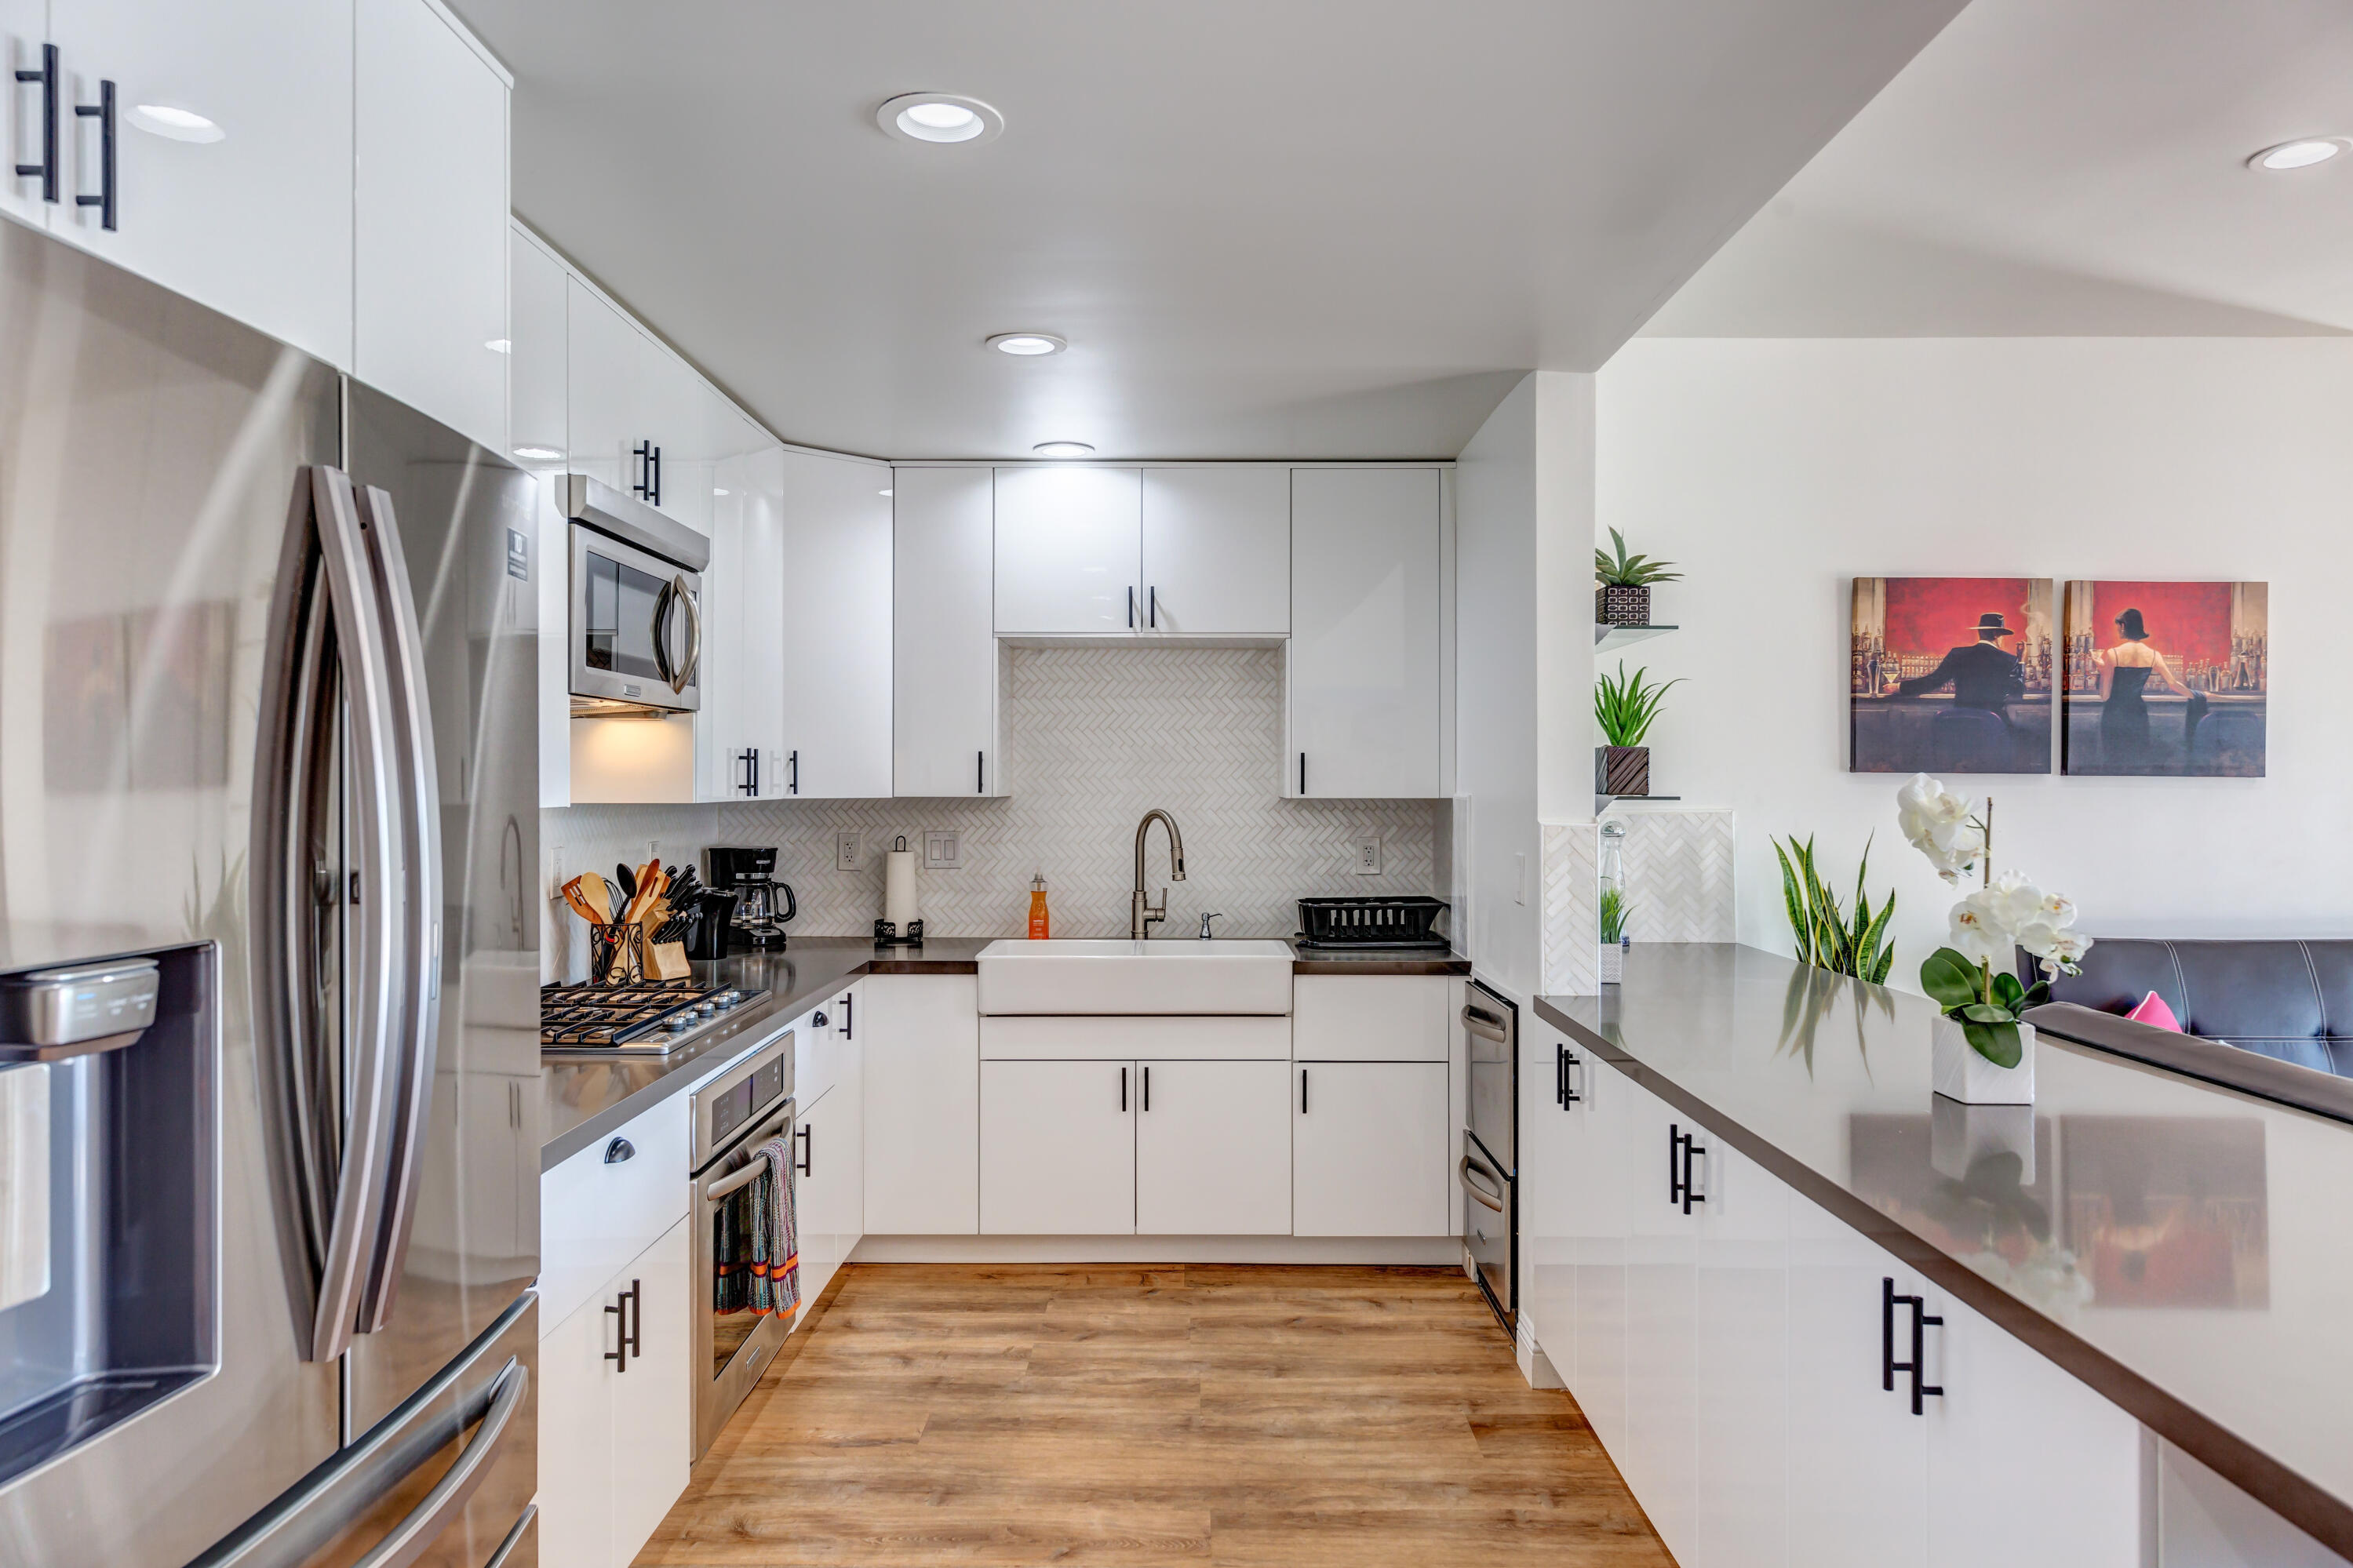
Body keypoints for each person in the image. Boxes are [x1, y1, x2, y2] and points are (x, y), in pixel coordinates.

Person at [2095, 607, 2193, 771]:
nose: (2118, 630)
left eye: (2118, 626)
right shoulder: (2154, 655)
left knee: (2114, 762)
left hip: (2115, 713)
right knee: (2137, 761)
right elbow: (2173, 684)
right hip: (2138, 714)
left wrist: (2102, 670)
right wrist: (2197, 694)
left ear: (2124, 626)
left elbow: (2105, 695)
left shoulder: (2113, 654)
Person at [1885, 612, 2027, 712]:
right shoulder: (2009, 660)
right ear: (1996, 635)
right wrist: (2021, 661)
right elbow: (2018, 693)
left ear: (1980, 632)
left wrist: (1899, 687)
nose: (2002, 639)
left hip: (1961, 723)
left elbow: (1933, 681)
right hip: (1993, 726)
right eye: (2002, 635)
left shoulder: (1958, 654)